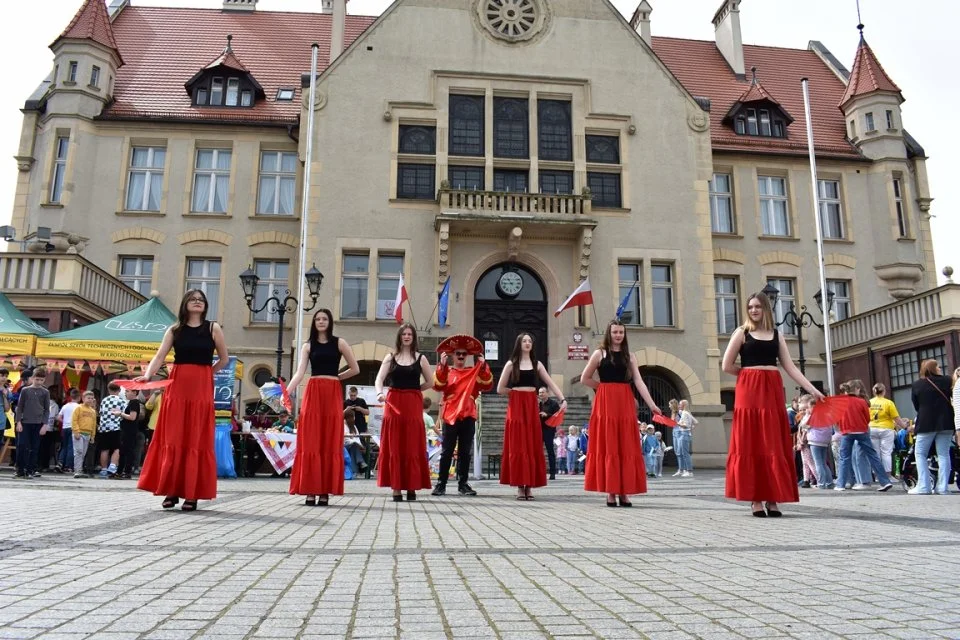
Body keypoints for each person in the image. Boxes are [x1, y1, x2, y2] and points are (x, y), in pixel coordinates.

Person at [721, 292, 824, 518]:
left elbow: (791, 367)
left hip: (772, 391)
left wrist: (814, 390)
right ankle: (756, 499)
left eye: (758, 306)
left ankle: (773, 498)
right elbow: (726, 365)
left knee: (773, 442)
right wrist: (749, 376)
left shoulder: (777, 335)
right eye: (750, 307)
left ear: (766, 308)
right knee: (752, 441)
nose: (754, 310)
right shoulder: (741, 332)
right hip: (749, 391)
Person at [135, 289, 229, 512]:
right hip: (177, 386)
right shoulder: (174, 329)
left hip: (200, 388)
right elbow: (159, 356)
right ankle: (171, 490)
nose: (197, 303)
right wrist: (148, 375)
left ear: (205, 305)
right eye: (193, 299)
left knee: (195, 438)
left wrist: (208, 373)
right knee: (174, 436)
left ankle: (191, 494)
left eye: (201, 300)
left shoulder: (213, 328)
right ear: (185, 303)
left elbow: (224, 359)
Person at [579, 320, 661, 507]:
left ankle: (624, 492)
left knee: (625, 444)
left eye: (621, 332)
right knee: (609, 444)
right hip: (606, 402)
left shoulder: (630, 356)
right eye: (615, 332)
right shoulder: (599, 353)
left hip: (624, 401)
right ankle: (611, 491)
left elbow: (638, 381)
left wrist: (652, 404)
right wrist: (603, 388)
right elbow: (585, 378)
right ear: (609, 333)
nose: (618, 335)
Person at [287, 308, 360, 506]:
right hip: (313, 391)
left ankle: (325, 491)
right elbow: (300, 373)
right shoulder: (308, 345)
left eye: (324, 318)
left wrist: (337, 377)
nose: (320, 322)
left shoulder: (340, 343)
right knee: (311, 439)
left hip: (332, 392)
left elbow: (355, 368)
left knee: (328, 439)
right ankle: (310, 489)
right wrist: (287, 391)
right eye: (317, 319)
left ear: (330, 321)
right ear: (314, 323)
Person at [497, 333, 566, 501]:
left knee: (531, 444)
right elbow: (499, 388)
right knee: (518, 445)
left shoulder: (537, 364)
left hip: (531, 406)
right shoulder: (511, 364)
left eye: (529, 341)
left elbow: (550, 383)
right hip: (516, 406)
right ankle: (521, 486)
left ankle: (530, 485)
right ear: (518, 344)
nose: (527, 343)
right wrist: (515, 393)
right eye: (524, 341)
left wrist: (562, 398)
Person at [376, 323, 434, 501]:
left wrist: (415, 390)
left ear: (414, 337)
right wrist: (380, 393)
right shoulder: (390, 357)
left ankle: (411, 486)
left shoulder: (420, 358)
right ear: (399, 337)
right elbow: (379, 379)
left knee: (412, 444)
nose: (407, 336)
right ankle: (396, 487)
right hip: (393, 402)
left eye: (410, 334)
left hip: (412, 403)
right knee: (394, 444)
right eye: (404, 334)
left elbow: (430, 382)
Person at [432, 335, 492, 497]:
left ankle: (463, 484)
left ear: (468, 356)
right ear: (452, 355)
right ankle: (441, 484)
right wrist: (442, 366)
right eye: (457, 353)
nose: (460, 356)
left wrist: (484, 365)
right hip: (450, 416)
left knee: (465, 452)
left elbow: (487, 384)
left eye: (464, 353)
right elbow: (438, 386)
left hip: (468, 415)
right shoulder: (447, 371)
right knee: (447, 451)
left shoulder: (473, 373)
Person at [835, 379, 894, 493]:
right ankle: (885, 481)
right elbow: (868, 418)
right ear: (857, 389)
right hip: (862, 431)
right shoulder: (862, 401)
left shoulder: (841, 401)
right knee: (873, 456)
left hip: (847, 432)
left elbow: (838, 418)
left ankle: (841, 484)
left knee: (844, 458)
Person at [909, 359, 956, 495]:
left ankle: (924, 486)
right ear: (933, 368)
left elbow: (916, 404)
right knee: (944, 454)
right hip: (946, 422)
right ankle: (943, 487)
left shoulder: (917, 384)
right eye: (938, 367)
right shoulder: (948, 381)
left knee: (920, 453)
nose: (940, 369)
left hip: (926, 423)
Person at [13, 368, 50, 480]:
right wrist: (18, 422)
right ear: (33, 378)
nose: (39, 382)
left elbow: (46, 410)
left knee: (34, 447)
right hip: (25, 422)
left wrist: (45, 425)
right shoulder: (25, 390)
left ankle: (30, 470)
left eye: (41, 380)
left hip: (38, 423)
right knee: (22, 445)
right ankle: (20, 470)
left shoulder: (45, 392)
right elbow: (20, 407)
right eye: (37, 379)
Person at [869, 383, 906, 477]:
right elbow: (896, 418)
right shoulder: (888, 403)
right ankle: (887, 475)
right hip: (886, 429)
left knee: (875, 453)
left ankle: (877, 475)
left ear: (874, 392)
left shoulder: (869, 402)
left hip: (872, 428)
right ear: (884, 391)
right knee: (886, 452)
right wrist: (905, 427)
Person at [800, 395, 834, 489]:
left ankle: (821, 483)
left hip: (815, 441)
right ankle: (829, 482)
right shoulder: (826, 415)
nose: (807, 409)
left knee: (818, 463)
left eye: (808, 407)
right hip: (825, 441)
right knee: (824, 463)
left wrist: (807, 415)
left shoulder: (812, 416)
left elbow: (804, 425)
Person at [97, 382, 126, 479]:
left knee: (104, 449)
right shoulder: (122, 401)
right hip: (116, 426)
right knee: (116, 448)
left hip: (103, 427)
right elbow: (123, 414)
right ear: (119, 390)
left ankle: (104, 469)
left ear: (108, 390)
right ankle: (113, 466)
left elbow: (101, 413)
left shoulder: (104, 400)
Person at [116, 387, 141, 479]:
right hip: (127, 430)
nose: (125, 393)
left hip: (129, 431)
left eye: (127, 391)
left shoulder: (134, 402)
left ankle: (125, 471)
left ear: (134, 392)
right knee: (125, 451)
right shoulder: (132, 402)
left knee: (126, 451)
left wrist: (120, 414)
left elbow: (132, 417)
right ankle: (123, 471)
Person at [72, 391, 98, 478]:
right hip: (79, 433)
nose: (90, 400)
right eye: (88, 398)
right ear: (83, 399)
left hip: (88, 434)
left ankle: (80, 469)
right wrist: (76, 431)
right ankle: (77, 470)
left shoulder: (93, 411)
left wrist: (93, 436)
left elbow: (94, 424)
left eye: (91, 398)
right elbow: (74, 420)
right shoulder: (78, 408)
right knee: (78, 451)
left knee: (83, 453)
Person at [538, 387, 562, 481]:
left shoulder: (553, 403)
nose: (541, 394)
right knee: (537, 452)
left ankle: (552, 473)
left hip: (549, 430)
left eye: (543, 392)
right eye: (539, 393)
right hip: (538, 430)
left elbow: (558, 415)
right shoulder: (538, 403)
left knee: (550, 451)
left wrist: (547, 415)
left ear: (547, 393)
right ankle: (539, 472)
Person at [56, 388, 81, 474]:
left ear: (70, 396)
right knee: (71, 447)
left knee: (64, 446)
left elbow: (58, 417)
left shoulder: (65, 406)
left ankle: (60, 462)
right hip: (74, 428)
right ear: (79, 397)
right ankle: (68, 466)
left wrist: (65, 422)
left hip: (65, 428)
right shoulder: (79, 407)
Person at [673, 399, 698, 477]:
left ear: (683, 405)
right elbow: (696, 422)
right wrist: (690, 428)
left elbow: (686, 425)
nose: (679, 406)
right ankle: (685, 470)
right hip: (685, 433)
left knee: (685, 453)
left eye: (680, 404)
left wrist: (677, 423)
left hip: (684, 434)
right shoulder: (687, 413)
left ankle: (689, 471)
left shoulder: (684, 413)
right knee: (682, 452)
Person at [343, 409, 368, 476]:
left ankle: (355, 470)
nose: (354, 418)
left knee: (355, 447)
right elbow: (345, 439)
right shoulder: (343, 425)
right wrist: (354, 441)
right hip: (344, 446)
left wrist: (360, 445)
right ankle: (361, 462)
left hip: (353, 445)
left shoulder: (354, 426)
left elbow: (357, 438)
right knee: (354, 446)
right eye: (353, 416)